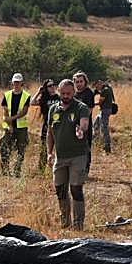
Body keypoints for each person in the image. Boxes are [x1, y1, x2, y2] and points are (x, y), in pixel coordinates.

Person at [46, 79, 91, 230]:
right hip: (60, 157)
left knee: (75, 188)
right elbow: (50, 133)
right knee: (60, 189)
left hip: (78, 155)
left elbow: (84, 123)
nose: (65, 96)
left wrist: (81, 130)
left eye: (69, 93)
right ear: (59, 92)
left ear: (73, 93)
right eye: (63, 93)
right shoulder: (53, 109)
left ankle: (78, 225)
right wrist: (49, 153)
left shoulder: (80, 107)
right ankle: (65, 223)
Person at [0, 73, 31, 176]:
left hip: (21, 127)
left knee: (21, 149)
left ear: (22, 83)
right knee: (4, 147)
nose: (16, 84)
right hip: (9, 127)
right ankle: (5, 170)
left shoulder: (26, 95)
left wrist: (12, 119)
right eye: (15, 82)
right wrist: (10, 125)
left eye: (18, 82)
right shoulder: (7, 94)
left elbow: (24, 111)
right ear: (12, 83)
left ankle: (17, 170)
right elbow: (5, 111)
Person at [73, 71, 96, 176]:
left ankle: (85, 170)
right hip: (73, 125)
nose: (79, 84)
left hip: (85, 125)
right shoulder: (74, 94)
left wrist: (81, 123)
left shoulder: (88, 93)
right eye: (77, 82)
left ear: (85, 82)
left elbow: (89, 110)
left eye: (81, 81)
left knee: (85, 147)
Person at [34, 79, 59, 169]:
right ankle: (42, 167)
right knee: (44, 147)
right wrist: (38, 92)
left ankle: (57, 167)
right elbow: (32, 102)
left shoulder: (58, 97)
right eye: (49, 86)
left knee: (58, 147)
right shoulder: (44, 99)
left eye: (53, 85)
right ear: (46, 88)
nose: (52, 87)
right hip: (46, 125)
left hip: (58, 125)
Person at [94, 79, 115, 153]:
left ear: (100, 84)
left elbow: (100, 102)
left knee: (104, 128)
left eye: (97, 87)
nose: (97, 89)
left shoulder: (104, 90)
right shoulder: (108, 88)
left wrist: (93, 104)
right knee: (96, 124)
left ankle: (107, 147)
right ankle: (96, 143)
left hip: (105, 110)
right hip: (106, 110)